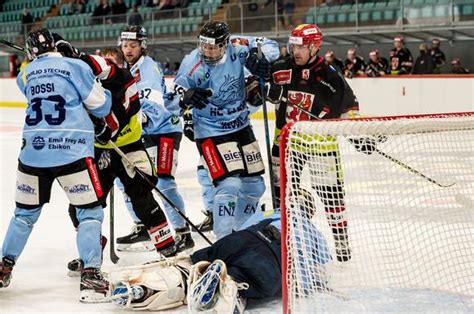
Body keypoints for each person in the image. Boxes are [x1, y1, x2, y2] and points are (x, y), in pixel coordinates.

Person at [51, 35, 180, 274]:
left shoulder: (127, 81)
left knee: (142, 199)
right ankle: (91, 251)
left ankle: (167, 247)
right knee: (80, 204)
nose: (106, 67)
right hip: (101, 153)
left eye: (111, 63)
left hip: (130, 149)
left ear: (118, 67)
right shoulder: (88, 88)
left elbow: (120, 115)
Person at [0, 28, 112, 302]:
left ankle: (3, 266)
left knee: (24, 215)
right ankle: (91, 274)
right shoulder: (74, 66)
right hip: (71, 151)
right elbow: (101, 106)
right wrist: (77, 61)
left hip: (33, 154)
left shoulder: (25, 74)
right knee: (89, 212)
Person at [108, 190, 332, 312]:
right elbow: (322, 263)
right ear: (308, 212)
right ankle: (231, 284)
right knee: (247, 281)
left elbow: (243, 227)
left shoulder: (270, 213)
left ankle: (147, 287)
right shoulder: (310, 229)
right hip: (270, 256)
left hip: (241, 239)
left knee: (190, 266)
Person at [174, 21, 279, 239]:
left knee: (255, 187)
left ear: (224, 44)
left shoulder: (237, 49)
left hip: (241, 127)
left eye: (213, 47)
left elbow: (269, 46)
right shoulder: (191, 62)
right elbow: (173, 96)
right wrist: (184, 96)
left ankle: (241, 234)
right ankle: (224, 240)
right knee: (229, 184)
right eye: (204, 45)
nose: (207, 51)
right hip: (210, 131)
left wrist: (261, 60)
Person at [267, 23, 360, 262]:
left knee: (332, 197)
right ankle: (286, 241)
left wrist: (359, 134)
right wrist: (264, 91)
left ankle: (341, 244)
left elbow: (349, 107)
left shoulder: (329, 74)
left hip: (321, 144)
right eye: (292, 46)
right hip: (288, 141)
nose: (294, 52)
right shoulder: (280, 68)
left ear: (314, 47)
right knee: (284, 195)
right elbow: (260, 88)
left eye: (300, 47)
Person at [119, 25, 194, 251]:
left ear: (143, 46)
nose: (128, 50)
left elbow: (153, 104)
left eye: (133, 45)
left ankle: (183, 232)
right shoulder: (129, 67)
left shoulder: (147, 68)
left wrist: (131, 121)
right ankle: (143, 225)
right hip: (147, 132)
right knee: (127, 180)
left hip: (164, 130)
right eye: (124, 45)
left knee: (163, 182)